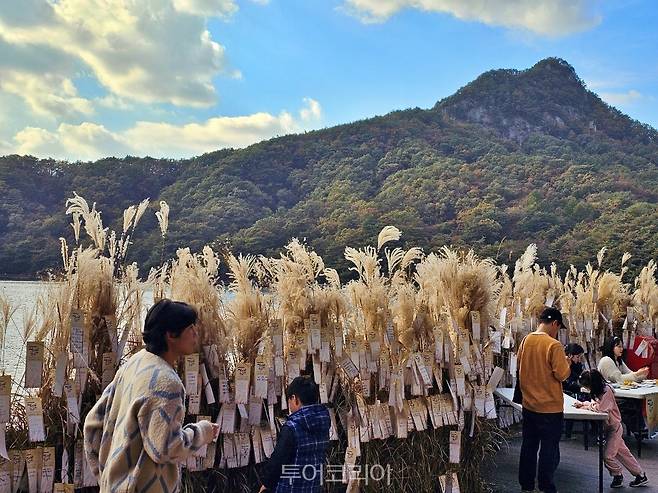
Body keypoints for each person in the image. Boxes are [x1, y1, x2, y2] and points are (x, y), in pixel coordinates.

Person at [84, 299, 220, 492]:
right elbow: (166, 449)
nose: (196, 333)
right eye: (190, 328)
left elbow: (92, 424)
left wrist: (106, 478)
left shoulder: (135, 363)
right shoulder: (166, 383)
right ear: (171, 335)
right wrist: (203, 432)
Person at [518, 307, 571, 493]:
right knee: (549, 449)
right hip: (550, 408)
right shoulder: (554, 345)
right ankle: (546, 486)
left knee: (529, 446)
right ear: (555, 324)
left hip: (529, 405)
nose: (557, 332)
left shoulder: (526, 340)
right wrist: (567, 362)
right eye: (558, 327)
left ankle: (526, 486)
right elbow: (562, 375)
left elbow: (519, 365)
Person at [574, 370, 649, 488]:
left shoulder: (606, 391)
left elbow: (601, 409)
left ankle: (617, 474)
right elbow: (597, 405)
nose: (587, 389)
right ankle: (640, 475)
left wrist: (588, 405)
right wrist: (585, 404)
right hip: (610, 427)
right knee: (624, 453)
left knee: (608, 456)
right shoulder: (600, 391)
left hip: (614, 427)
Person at [259, 375, 330, 492]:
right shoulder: (324, 420)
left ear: (294, 398)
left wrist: (266, 483)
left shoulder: (291, 428)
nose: (290, 405)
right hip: (313, 487)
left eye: (289, 400)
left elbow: (278, 461)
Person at [563, 343, 586, 439]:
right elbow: (567, 382)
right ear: (570, 356)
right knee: (577, 399)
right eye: (578, 356)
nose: (579, 359)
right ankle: (568, 432)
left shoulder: (578, 365)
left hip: (578, 389)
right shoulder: (564, 365)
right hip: (567, 391)